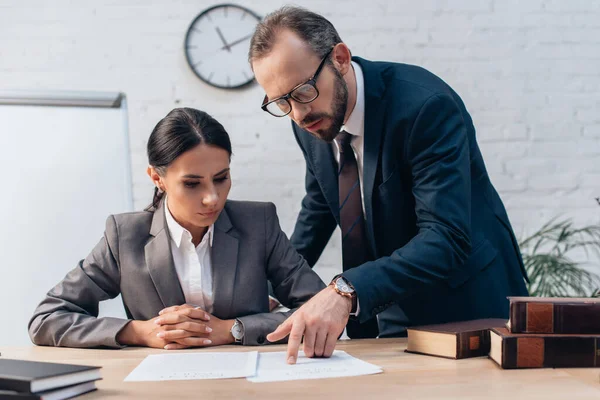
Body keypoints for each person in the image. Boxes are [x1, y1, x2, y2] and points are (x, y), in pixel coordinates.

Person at [248, 6, 529, 364]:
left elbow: (446, 236)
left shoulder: (424, 107)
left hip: (469, 305)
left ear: (340, 57)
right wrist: (265, 291)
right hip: (392, 304)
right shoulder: (307, 118)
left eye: (302, 91)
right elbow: (320, 207)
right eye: (280, 101)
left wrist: (345, 291)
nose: (297, 114)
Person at [28, 107, 325, 349]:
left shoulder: (258, 223)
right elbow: (46, 318)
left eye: (221, 178)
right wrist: (140, 332)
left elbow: (320, 310)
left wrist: (233, 330)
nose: (212, 198)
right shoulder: (124, 236)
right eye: (192, 183)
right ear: (157, 179)